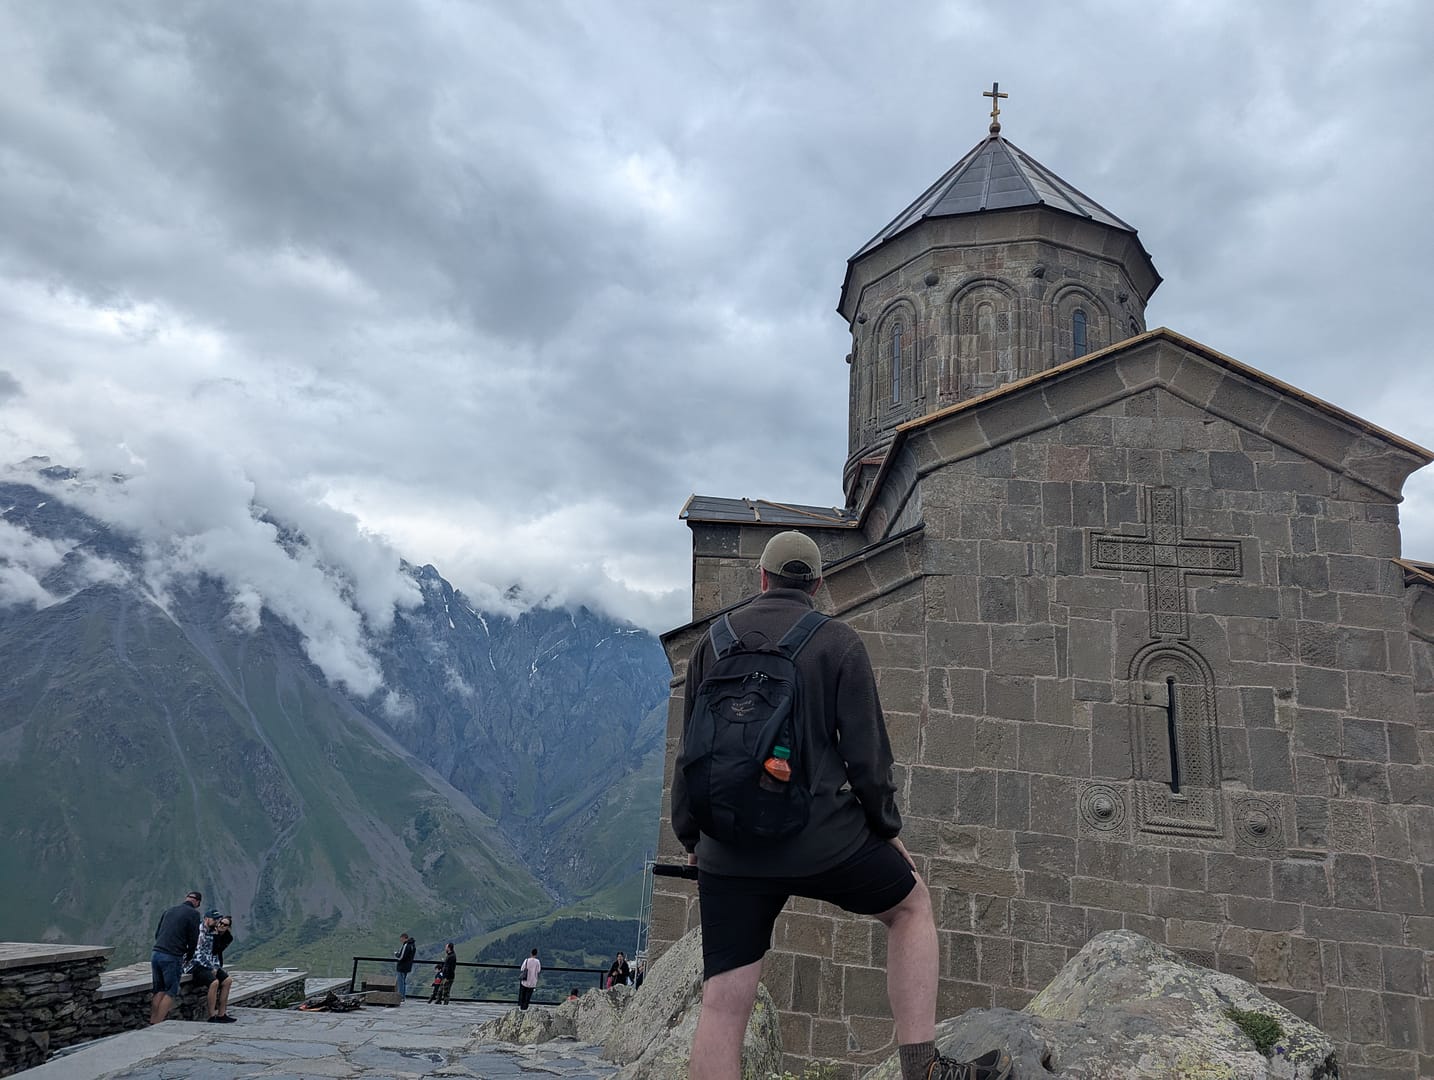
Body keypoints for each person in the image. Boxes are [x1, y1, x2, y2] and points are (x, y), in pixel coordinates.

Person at [672, 532, 1010, 1080]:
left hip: (727, 846)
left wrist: (693, 840)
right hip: (822, 840)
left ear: (761, 578)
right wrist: (886, 828)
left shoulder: (714, 641)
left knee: (723, 1002)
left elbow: (691, 753)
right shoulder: (837, 643)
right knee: (910, 908)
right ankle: (922, 1069)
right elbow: (867, 759)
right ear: (819, 584)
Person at [150, 890, 202, 1024]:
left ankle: (151, 1021)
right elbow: (193, 938)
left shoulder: (169, 910)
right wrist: (189, 955)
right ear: (197, 903)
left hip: (156, 953)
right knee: (171, 991)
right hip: (172, 956)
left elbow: (158, 932)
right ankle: (158, 1024)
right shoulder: (194, 914)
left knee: (159, 989)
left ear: (186, 898)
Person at [189, 909, 235, 1023]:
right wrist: (211, 968)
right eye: (216, 920)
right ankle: (211, 1016)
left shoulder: (212, 932)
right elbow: (198, 953)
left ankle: (222, 1013)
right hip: (195, 964)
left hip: (209, 964)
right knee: (214, 983)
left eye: (218, 920)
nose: (218, 923)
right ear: (206, 919)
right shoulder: (200, 932)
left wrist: (215, 967)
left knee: (227, 981)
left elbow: (213, 953)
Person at [393, 933, 416, 1002]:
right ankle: (403, 996)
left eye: (401, 939)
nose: (401, 941)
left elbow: (401, 956)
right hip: (408, 966)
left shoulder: (406, 945)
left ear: (403, 938)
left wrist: (396, 954)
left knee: (400, 982)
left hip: (402, 966)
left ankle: (401, 997)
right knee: (403, 982)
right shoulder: (413, 945)